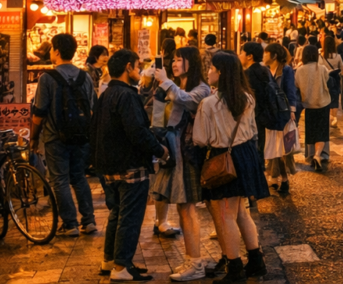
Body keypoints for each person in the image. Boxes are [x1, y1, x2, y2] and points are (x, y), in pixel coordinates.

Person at [91, 49, 169, 281]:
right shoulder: (128, 96)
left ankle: (110, 260)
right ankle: (121, 267)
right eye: (136, 66)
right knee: (130, 216)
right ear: (127, 67)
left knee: (117, 213)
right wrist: (160, 151)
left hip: (108, 165)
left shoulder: (106, 94)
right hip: (129, 164)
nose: (139, 71)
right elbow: (137, 132)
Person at [194, 53, 269, 284]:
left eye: (212, 68)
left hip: (224, 159)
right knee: (241, 212)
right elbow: (254, 129)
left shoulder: (209, 103)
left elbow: (200, 138)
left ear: (221, 73)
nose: (209, 72)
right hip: (246, 154)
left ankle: (235, 269)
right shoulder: (247, 97)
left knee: (226, 215)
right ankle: (256, 261)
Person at [149, 47, 211, 282]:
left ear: (190, 63)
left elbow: (186, 101)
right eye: (172, 60)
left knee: (187, 207)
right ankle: (193, 259)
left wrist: (166, 83)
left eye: (178, 60)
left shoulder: (201, 88)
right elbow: (157, 113)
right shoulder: (172, 86)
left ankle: (195, 262)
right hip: (171, 152)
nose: (174, 64)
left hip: (188, 155)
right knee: (182, 207)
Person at [31, 32, 96, 238]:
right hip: (81, 136)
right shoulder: (85, 76)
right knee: (79, 177)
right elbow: (93, 108)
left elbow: (39, 112)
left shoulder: (47, 78)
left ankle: (70, 224)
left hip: (55, 137)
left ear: (57, 51)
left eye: (51, 48)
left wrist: (34, 138)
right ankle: (89, 221)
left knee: (59, 179)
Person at [264, 43, 299, 195]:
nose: (264, 56)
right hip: (268, 113)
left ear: (274, 56)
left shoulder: (286, 70)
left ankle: (284, 178)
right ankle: (273, 177)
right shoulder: (264, 70)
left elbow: (291, 90)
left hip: (282, 112)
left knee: (283, 149)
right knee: (272, 147)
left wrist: (292, 110)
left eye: (266, 53)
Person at [295, 46, 331, 171]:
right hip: (323, 103)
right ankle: (317, 155)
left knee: (311, 131)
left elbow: (296, 86)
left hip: (308, 104)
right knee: (322, 130)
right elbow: (327, 80)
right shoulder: (321, 69)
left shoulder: (299, 70)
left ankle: (310, 155)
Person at [237, 42, 275, 158]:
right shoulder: (265, 71)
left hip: (251, 116)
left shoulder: (247, 74)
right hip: (264, 115)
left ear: (250, 56)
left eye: (242, 52)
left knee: (253, 148)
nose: (239, 55)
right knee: (260, 146)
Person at [320, 35, 343, 129]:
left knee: (324, 99)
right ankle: (334, 119)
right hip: (335, 80)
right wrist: (339, 73)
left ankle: (326, 118)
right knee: (334, 99)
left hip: (324, 80)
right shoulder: (337, 56)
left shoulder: (320, 56)